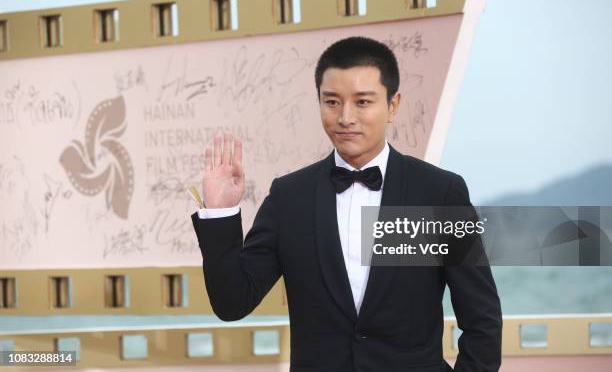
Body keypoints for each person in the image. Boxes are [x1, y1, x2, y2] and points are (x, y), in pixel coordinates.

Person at [190, 36, 502, 372]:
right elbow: (232, 302)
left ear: (393, 105)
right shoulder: (289, 196)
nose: (345, 117)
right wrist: (221, 213)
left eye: (363, 102)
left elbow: (481, 318)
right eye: (332, 102)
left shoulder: (439, 192)